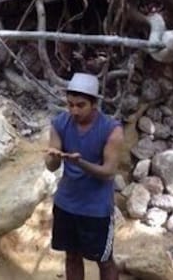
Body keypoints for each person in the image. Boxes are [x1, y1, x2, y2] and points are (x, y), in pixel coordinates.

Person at [45, 72, 124, 280]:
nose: (74, 110)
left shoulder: (111, 130)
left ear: (94, 104)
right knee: (71, 256)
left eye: (80, 105)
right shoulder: (59, 123)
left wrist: (80, 162)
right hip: (66, 205)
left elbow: (108, 173)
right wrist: (54, 157)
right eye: (70, 104)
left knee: (104, 260)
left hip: (96, 210)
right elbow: (51, 166)